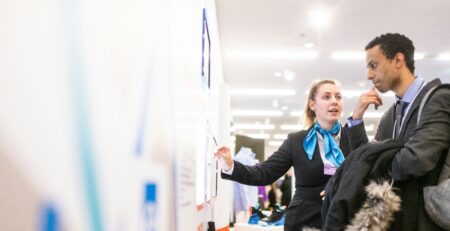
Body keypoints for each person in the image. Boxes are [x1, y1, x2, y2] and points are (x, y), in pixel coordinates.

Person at [215, 79, 362, 230]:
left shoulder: (352, 137)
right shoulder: (296, 141)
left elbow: (367, 176)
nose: (334, 101)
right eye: (326, 97)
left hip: (345, 221)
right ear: (313, 105)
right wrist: (230, 166)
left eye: (338, 97)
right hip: (304, 220)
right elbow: (265, 173)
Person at [347, 33, 450, 230]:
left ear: (398, 60)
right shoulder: (390, 117)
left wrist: (374, 166)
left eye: (373, 65)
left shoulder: (438, 99)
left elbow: (415, 161)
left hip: (428, 221)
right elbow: (365, 159)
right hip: (400, 220)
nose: (369, 75)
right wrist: (357, 119)